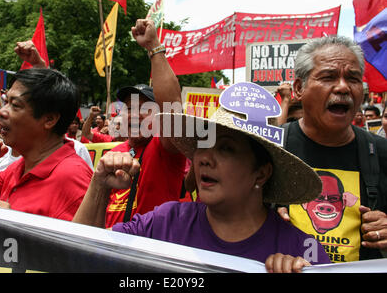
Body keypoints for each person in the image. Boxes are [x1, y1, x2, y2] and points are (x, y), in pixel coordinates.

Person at [73, 82, 330, 273]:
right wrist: (99, 187)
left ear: (262, 172)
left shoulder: (303, 251)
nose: (204, 158)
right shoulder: (166, 223)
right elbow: (79, 258)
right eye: (203, 146)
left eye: (226, 148)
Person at [277, 36, 387, 262]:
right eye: (328, 77)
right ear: (299, 88)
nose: (343, 87)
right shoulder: (272, 146)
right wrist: (263, 221)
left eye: (353, 79)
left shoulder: (382, 152)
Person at [0, 68, 93, 222]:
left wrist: (16, 223)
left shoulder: (72, 177)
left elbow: (76, 244)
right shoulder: (19, 167)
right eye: (6, 102)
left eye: (15, 105)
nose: (2, 112)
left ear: (49, 119)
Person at [100, 20, 187, 228]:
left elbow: (172, 110)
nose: (134, 116)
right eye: (129, 108)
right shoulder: (114, 153)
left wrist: (154, 47)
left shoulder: (165, 149)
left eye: (145, 109)